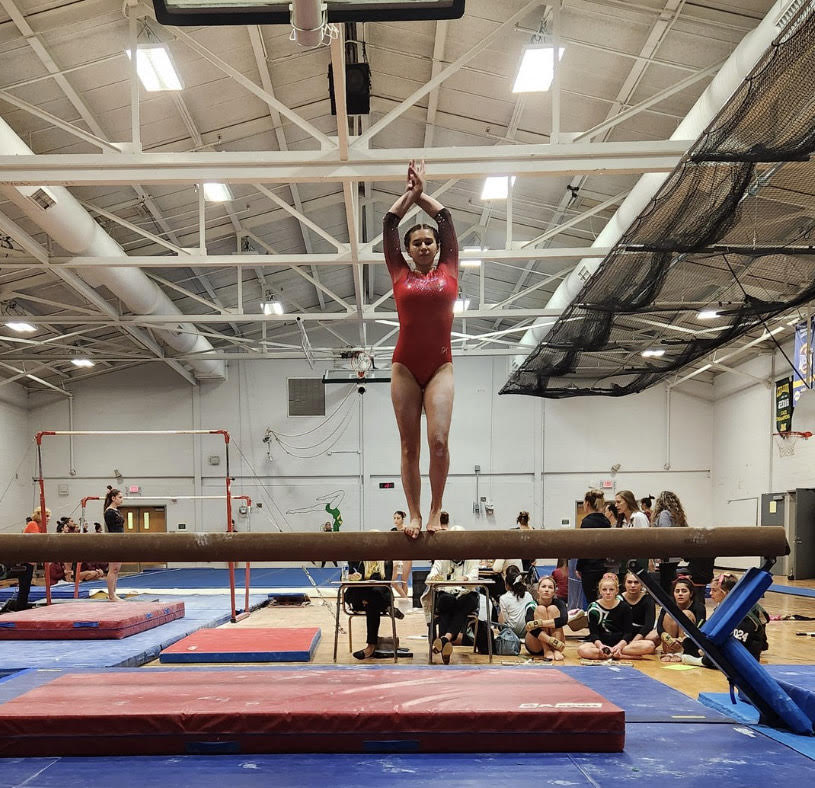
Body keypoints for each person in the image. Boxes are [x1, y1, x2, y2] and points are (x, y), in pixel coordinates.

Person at [384, 159, 458, 538]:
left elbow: (445, 219)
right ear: (409, 250)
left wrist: (422, 193)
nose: (425, 245)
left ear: (437, 247)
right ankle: (412, 513)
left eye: (429, 241)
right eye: (417, 242)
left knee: (439, 443)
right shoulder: (400, 273)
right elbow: (388, 224)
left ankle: (434, 511)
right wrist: (408, 196)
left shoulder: (449, 268)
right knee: (410, 446)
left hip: (440, 367)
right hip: (405, 368)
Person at [664, 573, 769, 666]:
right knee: (688, 642)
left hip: (744, 656)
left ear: (725, 592)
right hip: (730, 645)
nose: (710, 594)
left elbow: (737, 646)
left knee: (711, 648)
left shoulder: (743, 614)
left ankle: (703, 661)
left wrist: (707, 653)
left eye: (714, 590)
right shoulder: (724, 607)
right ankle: (704, 657)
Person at [426, 528, 479, 664]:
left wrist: (466, 578)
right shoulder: (441, 557)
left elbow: (474, 575)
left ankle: (443, 639)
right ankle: (446, 641)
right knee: (446, 601)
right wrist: (436, 577)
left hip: (467, 595)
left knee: (462, 603)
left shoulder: (473, 557)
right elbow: (430, 576)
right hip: (447, 596)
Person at [344, 557, 404, 660]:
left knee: (374, 599)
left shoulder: (386, 561)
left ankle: (370, 647)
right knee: (371, 598)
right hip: (360, 598)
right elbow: (344, 575)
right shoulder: (358, 559)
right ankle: (387, 606)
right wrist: (350, 576)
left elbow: (387, 583)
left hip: (376, 597)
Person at [577, 573, 633, 661]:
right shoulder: (593, 608)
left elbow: (628, 633)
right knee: (582, 650)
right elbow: (594, 633)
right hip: (602, 644)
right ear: (600, 591)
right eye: (604, 589)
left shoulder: (624, 607)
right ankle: (618, 655)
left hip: (621, 644)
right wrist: (601, 646)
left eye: (611, 589)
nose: (608, 593)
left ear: (616, 591)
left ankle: (610, 653)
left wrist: (619, 646)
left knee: (649, 646)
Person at [576, 489, 610, 608]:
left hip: (589, 567)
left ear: (587, 504)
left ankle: (594, 623)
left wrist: (579, 567)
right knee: (604, 600)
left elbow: (584, 548)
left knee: (592, 601)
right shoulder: (606, 521)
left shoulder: (586, 522)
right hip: (603, 566)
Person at [657, 577, 703, 660]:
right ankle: (670, 652)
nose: (680, 594)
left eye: (684, 591)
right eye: (677, 591)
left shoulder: (699, 607)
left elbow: (700, 627)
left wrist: (683, 639)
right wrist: (669, 639)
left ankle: (680, 652)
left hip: (688, 642)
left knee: (685, 613)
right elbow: (659, 627)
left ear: (691, 593)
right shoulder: (667, 605)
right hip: (671, 643)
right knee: (668, 615)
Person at [524, 575, 568, 661]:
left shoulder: (560, 603)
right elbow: (530, 626)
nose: (546, 590)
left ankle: (556, 650)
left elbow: (563, 620)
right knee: (541, 609)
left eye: (550, 587)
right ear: (538, 590)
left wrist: (541, 623)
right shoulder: (532, 605)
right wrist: (550, 640)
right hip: (536, 643)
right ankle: (546, 649)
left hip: (556, 641)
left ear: (554, 592)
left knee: (552, 609)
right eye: (543, 586)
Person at [651, 490, 688, 593]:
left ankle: (668, 603)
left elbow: (665, 532)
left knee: (666, 582)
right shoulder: (677, 515)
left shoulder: (664, 514)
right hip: (674, 554)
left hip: (667, 554)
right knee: (669, 579)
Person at [619, 572, 657, 657]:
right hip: (622, 633)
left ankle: (626, 649)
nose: (633, 585)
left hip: (641, 634)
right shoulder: (618, 599)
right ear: (624, 584)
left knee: (654, 636)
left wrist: (634, 641)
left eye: (636, 582)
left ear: (642, 584)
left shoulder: (648, 600)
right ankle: (627, 650)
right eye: (629, 582)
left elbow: (649, 625)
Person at [615, 490, 650, 574]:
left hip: (639, 559)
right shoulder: (621, 520)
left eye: (619, 502)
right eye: (616, 502)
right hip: (624, 559)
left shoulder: (639, 517)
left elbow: (646, 540)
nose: (616, 505)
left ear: (628, 501)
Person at [498, 565, 536, 638]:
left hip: (511, 633)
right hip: (528, 631)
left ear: (507, 584)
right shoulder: (528, 595)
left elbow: (504, 619)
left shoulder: (504, 598)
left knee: (501, 614)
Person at [103, 486, 124, 602]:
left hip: (119, 541)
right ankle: (111, 595)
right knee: (113, 569)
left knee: (116, 570)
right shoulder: (109, 512)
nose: (122, 499)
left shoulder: (116, 511)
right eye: (120, 497)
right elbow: (113, 529)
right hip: (114, 542)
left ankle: (113, 594)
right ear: (113, 498)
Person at [390, 510, 411, 597]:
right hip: (396, 557)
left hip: (407, 556)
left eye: (398, 518)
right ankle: (405, 598)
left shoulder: (408, 529)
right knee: (393, 581)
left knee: (404, 581)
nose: (396, 520)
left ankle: (404, 603)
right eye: (394, 518)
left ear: (403, 519)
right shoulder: (392, 531)